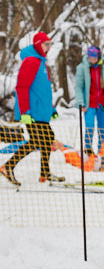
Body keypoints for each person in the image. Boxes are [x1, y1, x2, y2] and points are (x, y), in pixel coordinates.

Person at [2, 31, 61, 186]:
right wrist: (25, 112)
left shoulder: (41, 63)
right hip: (32, 113)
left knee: (47, 138)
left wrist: (52, 109)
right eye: (45, 44)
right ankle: (8, 167)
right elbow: (21, 88)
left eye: (49, 44)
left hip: (41, 112)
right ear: (37, 45)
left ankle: (44, 173)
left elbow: (43, 91)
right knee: (36, 141)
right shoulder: (31, 62)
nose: (48, 47)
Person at [74, 45, 104, 166]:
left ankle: (102, 152)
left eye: (94, 57)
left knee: (102, 129)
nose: (91, 59)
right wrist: (81, 103)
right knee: (89, 127)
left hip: (103, 103)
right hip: (89, 104)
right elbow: (78, 87)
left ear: (98, 56)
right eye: (90, 57)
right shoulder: (82, 68)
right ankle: (88, 150)